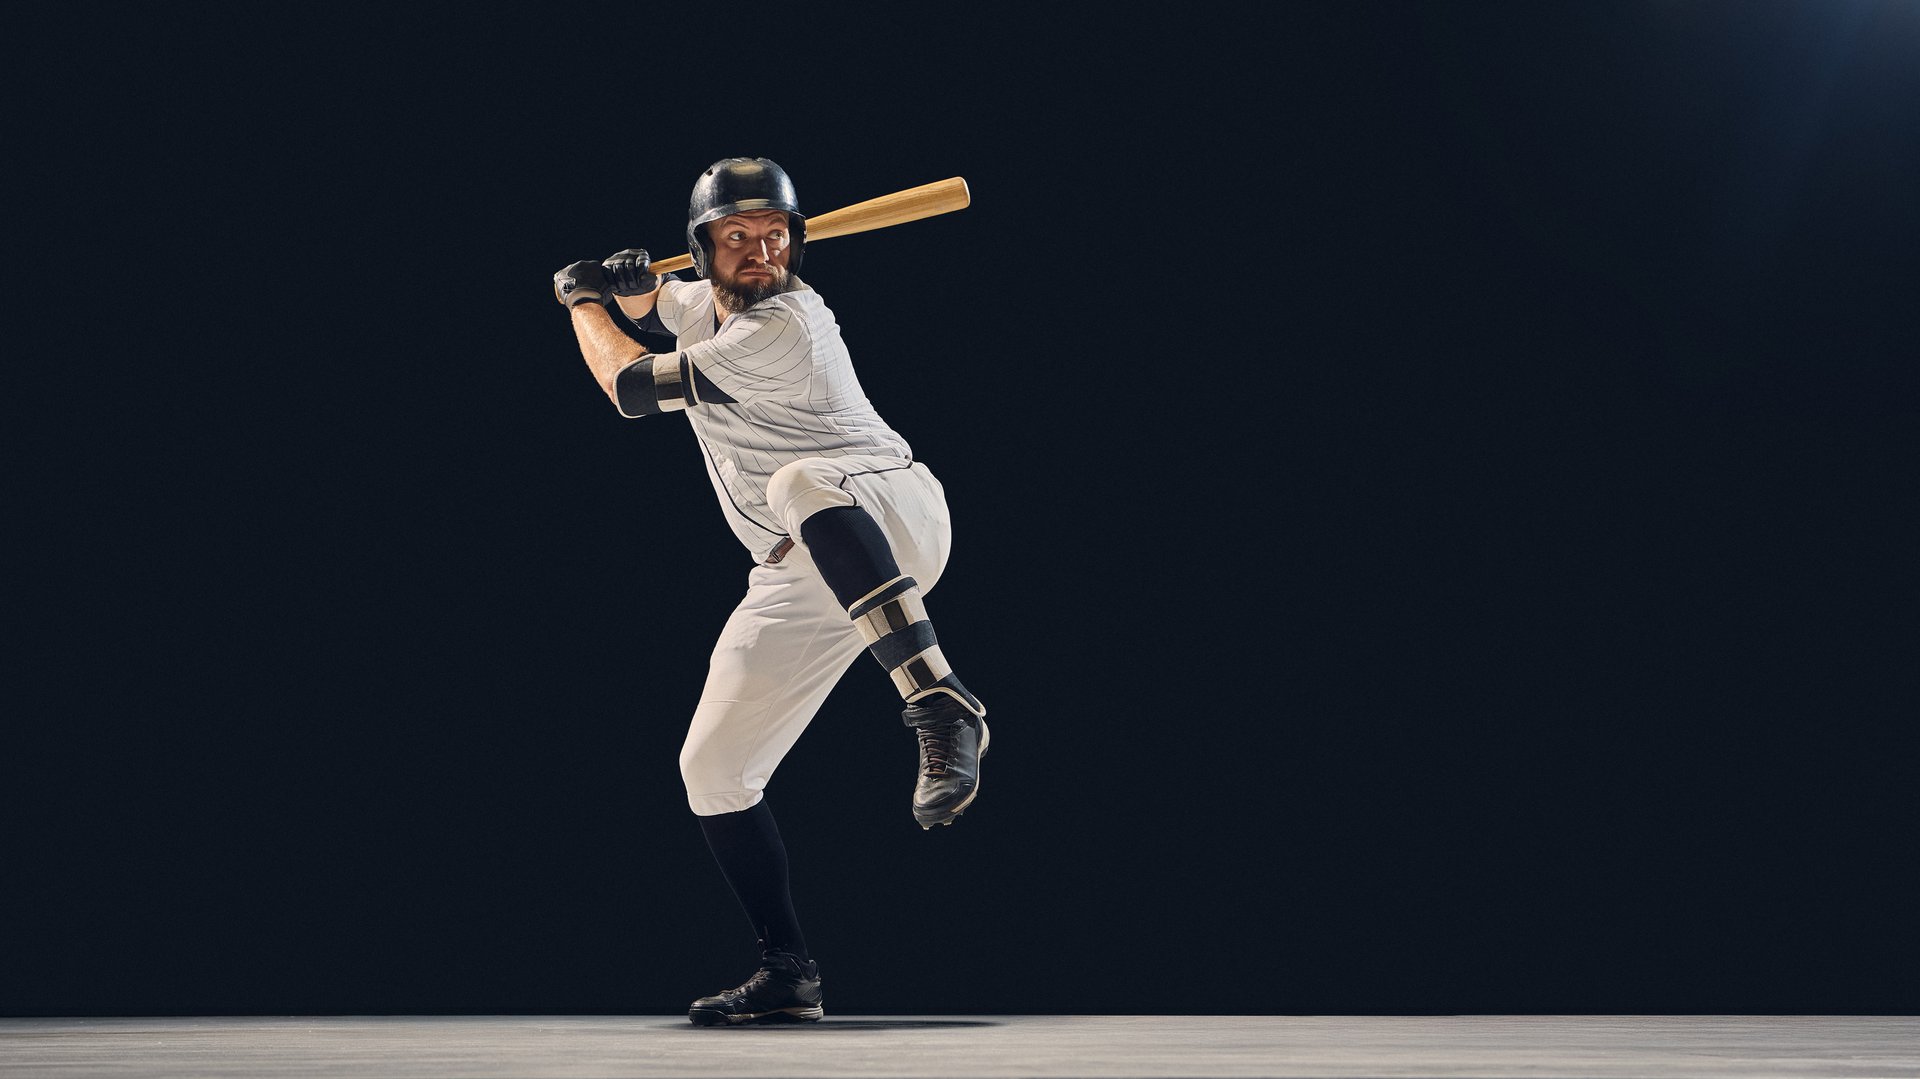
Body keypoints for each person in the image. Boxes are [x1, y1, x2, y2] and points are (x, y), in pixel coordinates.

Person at [551, 157, 989, 1026]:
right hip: (805, 569)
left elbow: (630, 389)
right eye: (738, 237)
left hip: (889, 510)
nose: (761, 250)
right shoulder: (713, 304)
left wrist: (583, 301)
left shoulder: (785, 323)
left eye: (774, 235)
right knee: (712, 769)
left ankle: (941, 702)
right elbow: (668, 310)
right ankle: (789, 970)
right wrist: (637, 291)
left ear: (795, 244)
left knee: (797, 481)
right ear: (703, 249)